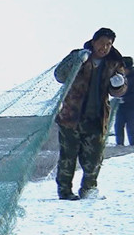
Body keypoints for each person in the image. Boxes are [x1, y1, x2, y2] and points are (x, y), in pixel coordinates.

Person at [53, 28, 127, 200]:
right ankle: (64, 191)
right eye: (102, 43)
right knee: (68, 157)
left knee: (94, 158)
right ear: (93, 42)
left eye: (109, 44)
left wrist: (118, 85)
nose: (105, 47)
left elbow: (119, 91)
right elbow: (59, 75)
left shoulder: (115, 62)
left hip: (97, 119)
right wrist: (75, 61)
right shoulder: (79, 55)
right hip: (71, 117)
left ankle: (89, 189)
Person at [114, 56, 134, 146]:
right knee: (118, 124)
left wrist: (124, 99)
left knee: (131, 125)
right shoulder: (122, 76)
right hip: (122, 105)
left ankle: (133, 144)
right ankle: (119, 144)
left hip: (133, 107)